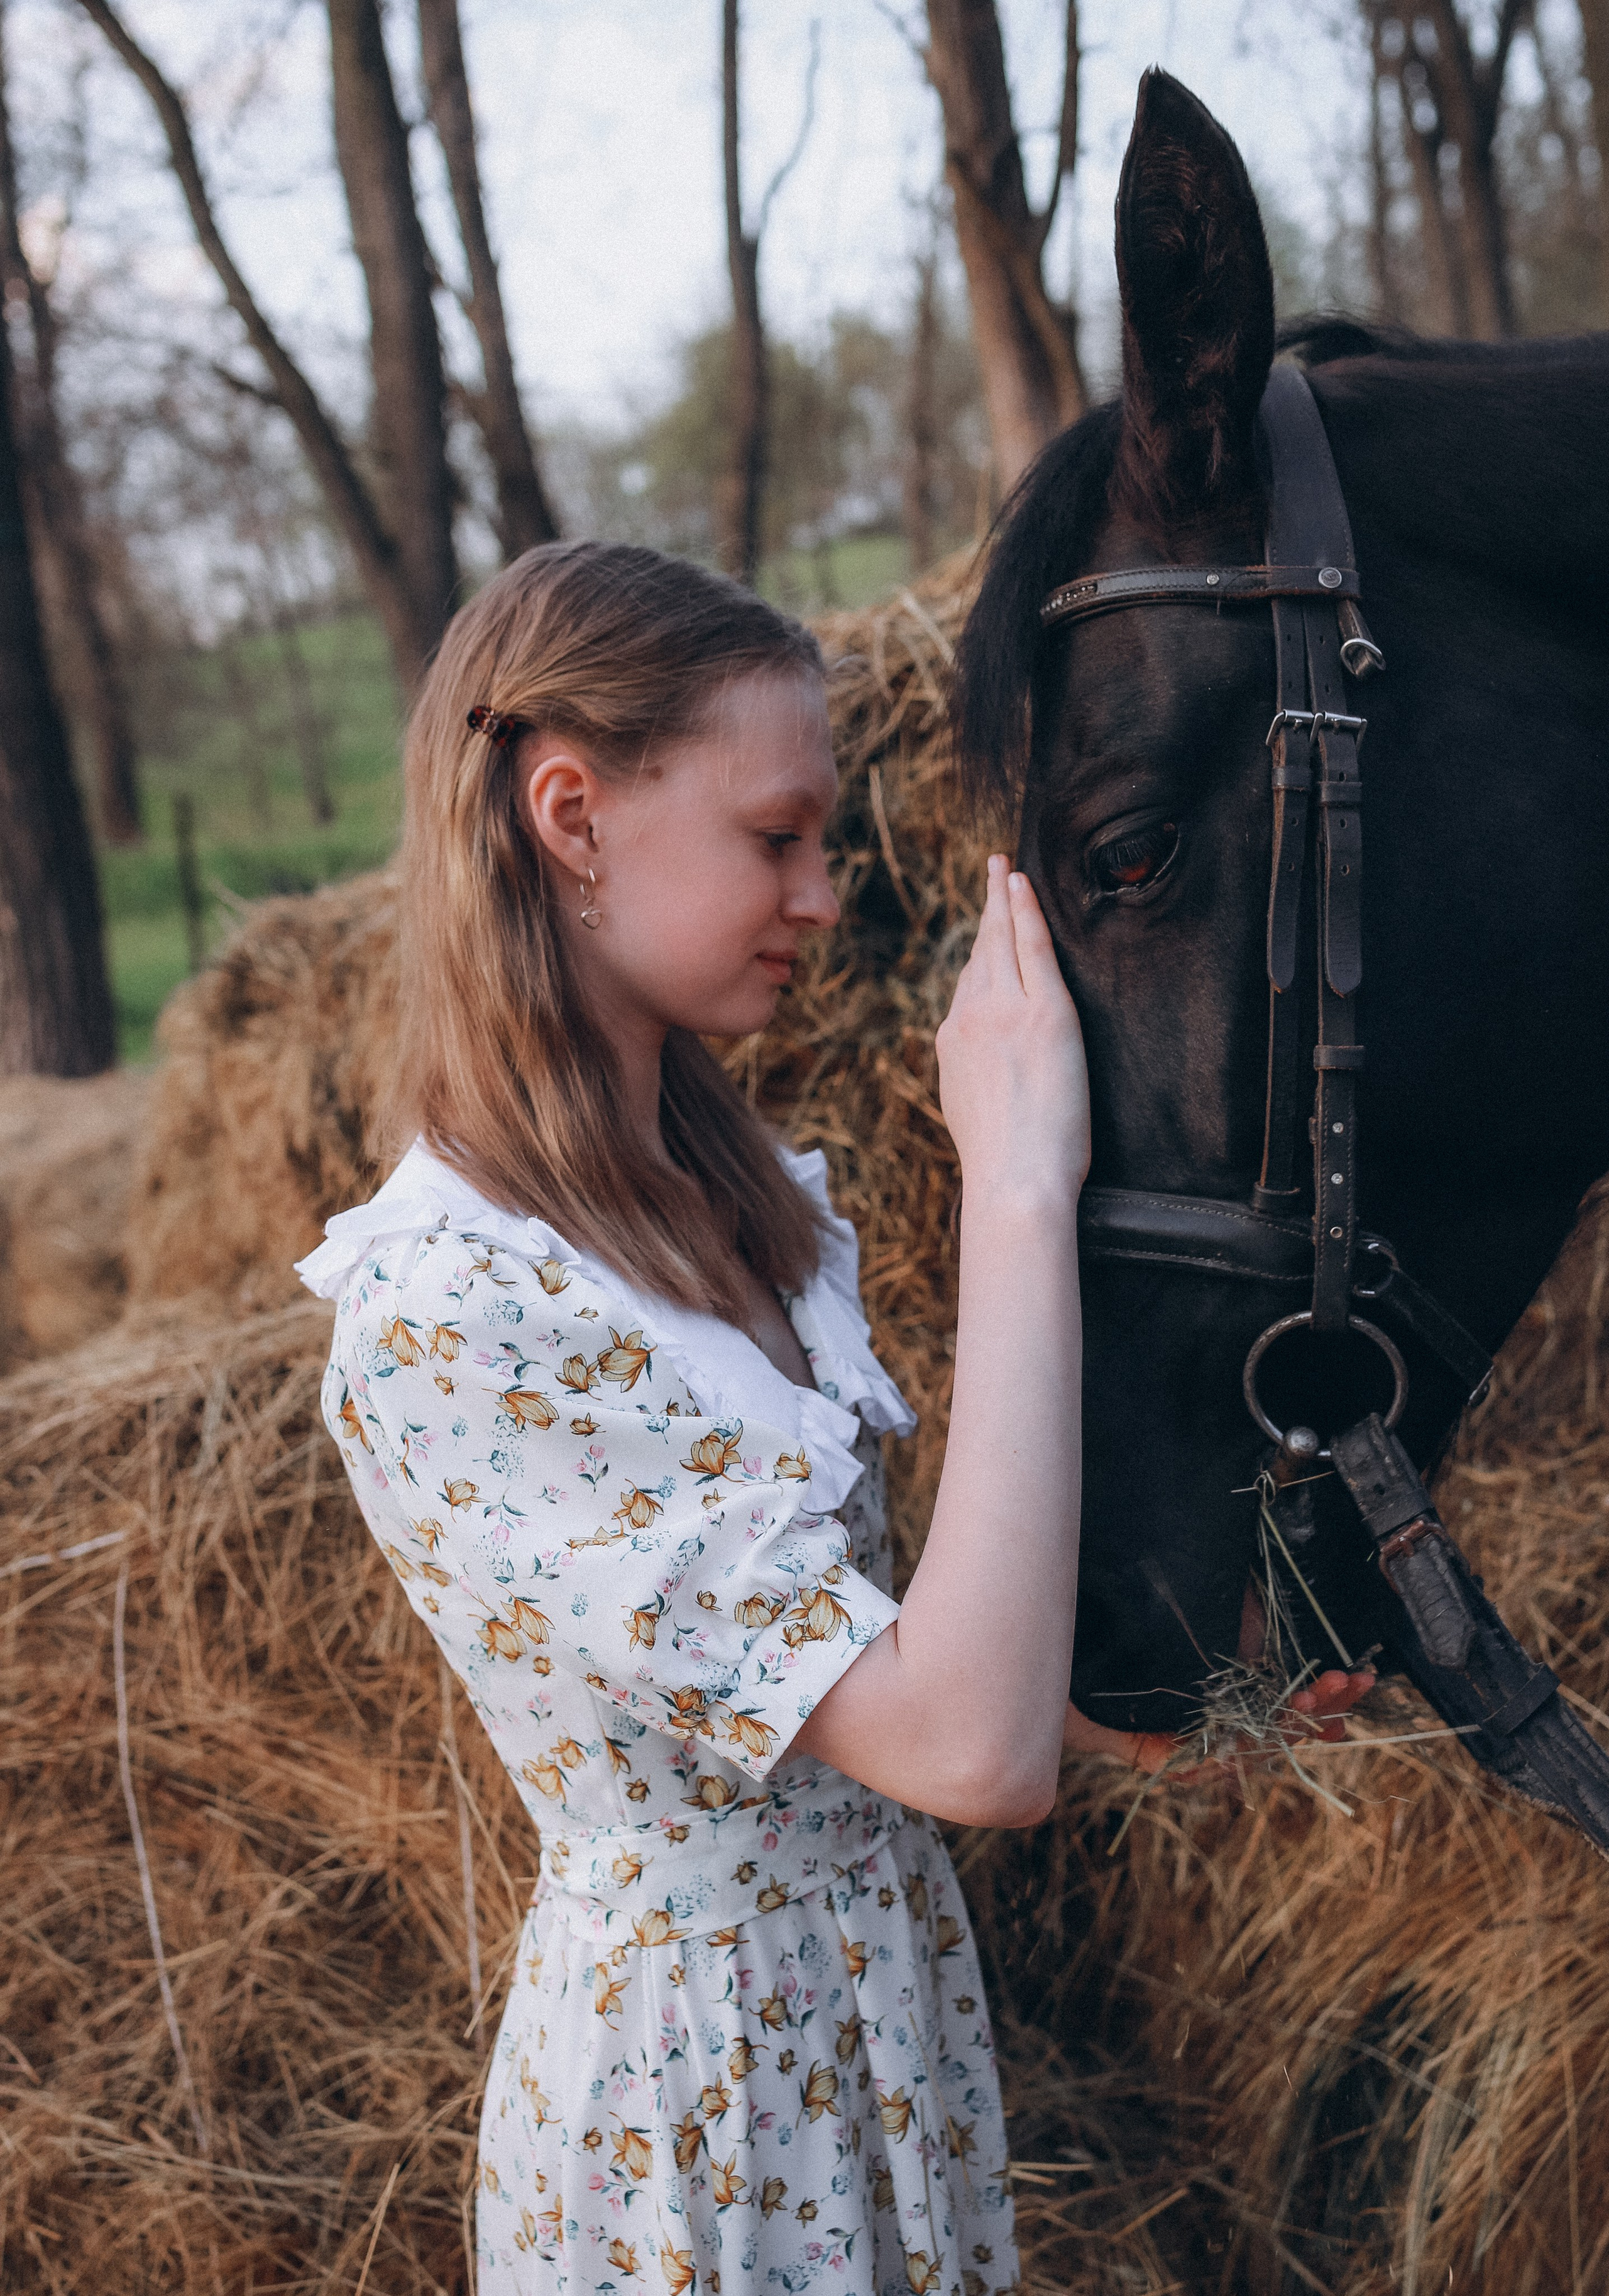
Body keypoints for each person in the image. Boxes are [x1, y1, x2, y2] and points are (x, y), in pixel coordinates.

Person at [297, 539, 1361, 2295]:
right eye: (775, 836)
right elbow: (961, 1753)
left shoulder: (739, 1209)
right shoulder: (460, 1310)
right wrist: (1017, 1184)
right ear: (572, 816)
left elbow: (879, 1680)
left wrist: (1195, 1708)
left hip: (876, 2034)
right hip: (700, 2120)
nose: (820, 893)